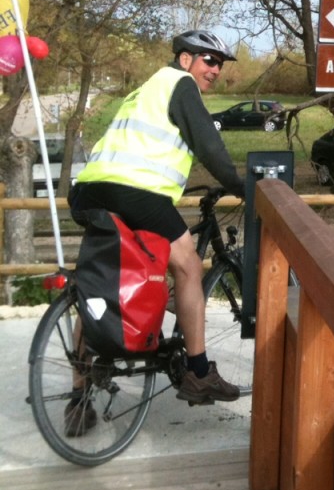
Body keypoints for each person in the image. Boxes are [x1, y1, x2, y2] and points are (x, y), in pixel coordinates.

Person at [69, 29, 246, 422]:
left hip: (91, 190)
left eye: (220, 64)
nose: (216, 70)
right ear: (185, 59)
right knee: (188, 264)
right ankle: (198, 372)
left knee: (97, 283)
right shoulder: (180, 84)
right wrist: (240, 185)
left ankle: (77, 399)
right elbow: (209, 146)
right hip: (135, 192)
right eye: (209, 60)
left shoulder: (146, 89)